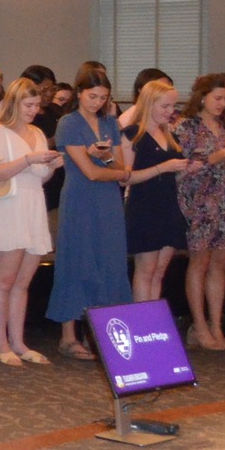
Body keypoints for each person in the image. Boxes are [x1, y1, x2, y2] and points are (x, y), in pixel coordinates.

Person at [48, 67, 131, 360]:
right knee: (77, 261)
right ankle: (68, 337)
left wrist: (103, 155)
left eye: (103, 97)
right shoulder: (68, 124)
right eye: (92, 96)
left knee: (109, 261)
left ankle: (106, 332)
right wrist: (103, 162)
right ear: (79, 93)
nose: (96, 102)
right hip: (81, 199)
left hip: (108, 201)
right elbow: (91, 173)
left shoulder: (109, 123)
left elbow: (118, 166)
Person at [0, 78, 64, 365]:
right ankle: (0, 343)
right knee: (4, 280)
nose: (33, 111)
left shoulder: (38, 133)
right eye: (28, 105)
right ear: (15, 103)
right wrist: (29, 159)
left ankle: (18, 341)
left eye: (37, 106)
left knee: (22, 283)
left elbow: (41, 177)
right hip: (8, 209)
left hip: (33, 208)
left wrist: (51, 166)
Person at [175, 72, 225, 350]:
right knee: (200, 263)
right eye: (217, 98)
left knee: (220, 264)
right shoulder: (186, 127)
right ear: (203, 96)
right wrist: (211, 159)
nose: (221, 104)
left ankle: (217, 325)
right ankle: (199, 325)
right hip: (200, 201)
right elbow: (180, 170)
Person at [123, 79, 190, 306]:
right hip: (144, 207)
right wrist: (164, 167)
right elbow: (126, 177)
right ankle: (142, 323)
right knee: (146, 270)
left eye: (173, 106)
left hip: (168, 206)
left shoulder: (170, 136)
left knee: (160, 270)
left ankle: (152, 320)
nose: (171, 112)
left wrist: (186, 170)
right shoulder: (132, 135)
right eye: (165, 107)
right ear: (149, 104)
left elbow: (173, 176)